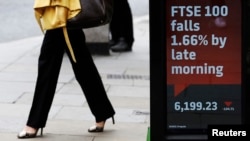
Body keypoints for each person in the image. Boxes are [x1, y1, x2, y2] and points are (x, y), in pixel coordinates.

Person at [17, 21, 116, 139]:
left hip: (64, 8)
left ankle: (35, 122)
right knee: (81, 61)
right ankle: (102, 111)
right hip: (63, 10)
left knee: (50, 62)